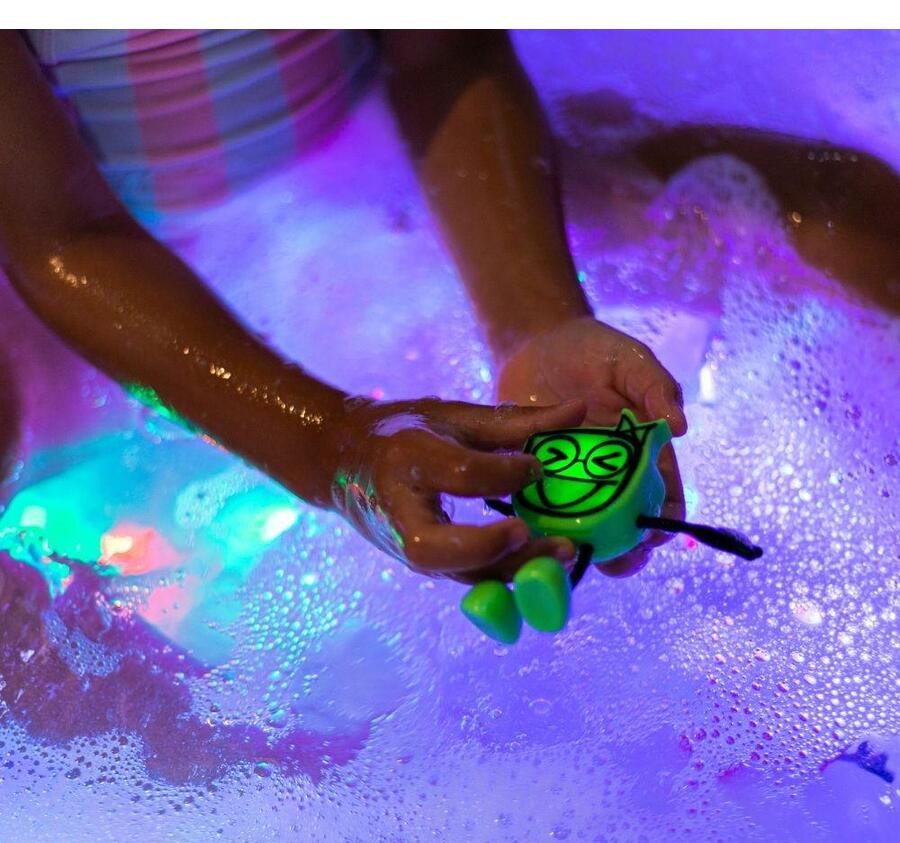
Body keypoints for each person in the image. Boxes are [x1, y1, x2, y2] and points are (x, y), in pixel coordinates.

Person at [0, 29, 686, 586]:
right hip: (87, 269)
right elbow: (61, 235)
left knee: (735, 211)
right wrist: (331, 442)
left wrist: (537, 322)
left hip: (382, 161)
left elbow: (446, 55)